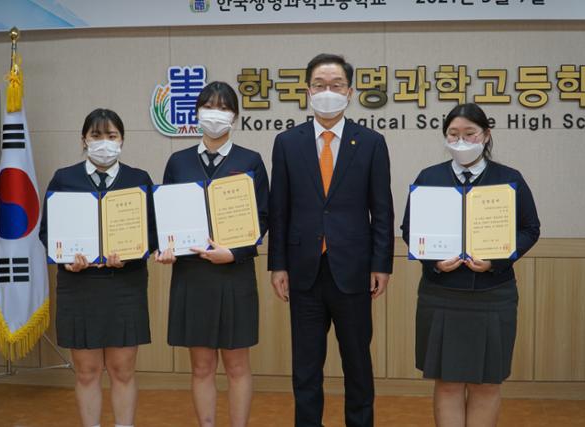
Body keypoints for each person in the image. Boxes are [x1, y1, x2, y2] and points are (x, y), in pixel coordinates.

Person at [268, 53, 394, 427]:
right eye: (320, 85)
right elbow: (279, 210)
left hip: (353, 272)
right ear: (307, 91)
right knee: (306, 368)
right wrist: (277, 264)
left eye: (336, 85)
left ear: (350, 92)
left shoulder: (371, 142)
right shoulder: (287, 142)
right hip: (303, 272)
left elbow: (382, 209)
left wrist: (380, 264)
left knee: (357, 363)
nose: (328, 92)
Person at [401, 103, 540, 427]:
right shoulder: (429, 177)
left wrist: (497, 259)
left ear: (485, 135)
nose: (460, 141)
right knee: (447, 381)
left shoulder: (508, 178)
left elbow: (530, 228)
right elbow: (410, 229)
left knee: (487, 382)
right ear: (445, 137)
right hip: (442, 293)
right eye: (453, 134)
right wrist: (435, 261)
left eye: (469, 134)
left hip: (493, 293)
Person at [155, 81, 269, 427]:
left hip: (235, 274)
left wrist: (235, 253)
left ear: (234, 116)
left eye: (223, 108)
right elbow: (166, 214)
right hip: (192, 276)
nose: (214, 114)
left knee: (237, 366)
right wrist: (166, 247)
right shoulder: (178, 161)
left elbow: (264, 216)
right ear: (197, 113)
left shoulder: (251, 160)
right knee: (201, 366)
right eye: (208, 107)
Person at [39, 108, 156, 427]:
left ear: (122, 140)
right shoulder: (64, 178)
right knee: (87, 372)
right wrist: (66, 259)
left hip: (125, 284)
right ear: (83, 140)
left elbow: (153, 232)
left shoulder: (138, 179)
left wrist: (132, 253)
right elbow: (47, 232)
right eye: (96, 135)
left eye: (111, 136)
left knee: (123, 370)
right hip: (80, 286)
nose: (104, 142)